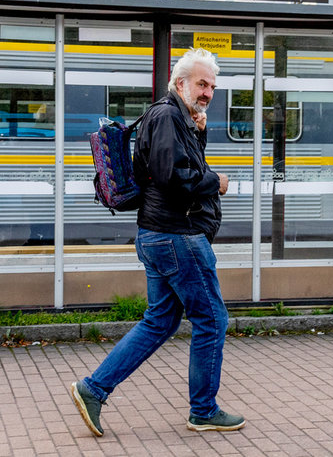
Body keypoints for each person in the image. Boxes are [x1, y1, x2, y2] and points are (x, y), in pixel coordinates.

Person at [70, 47, 244, 436]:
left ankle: (93, 389)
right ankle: (204, 411)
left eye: (212, 87)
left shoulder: (175, 117)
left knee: (161, 320)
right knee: (213, 319)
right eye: (201, 84)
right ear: (180, 83)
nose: (207, 93)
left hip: (159, 236)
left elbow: (178, 166)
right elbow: (173, 178)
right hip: (178, 237)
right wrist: (216, 182)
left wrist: (199, 132)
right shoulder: (167, 116)